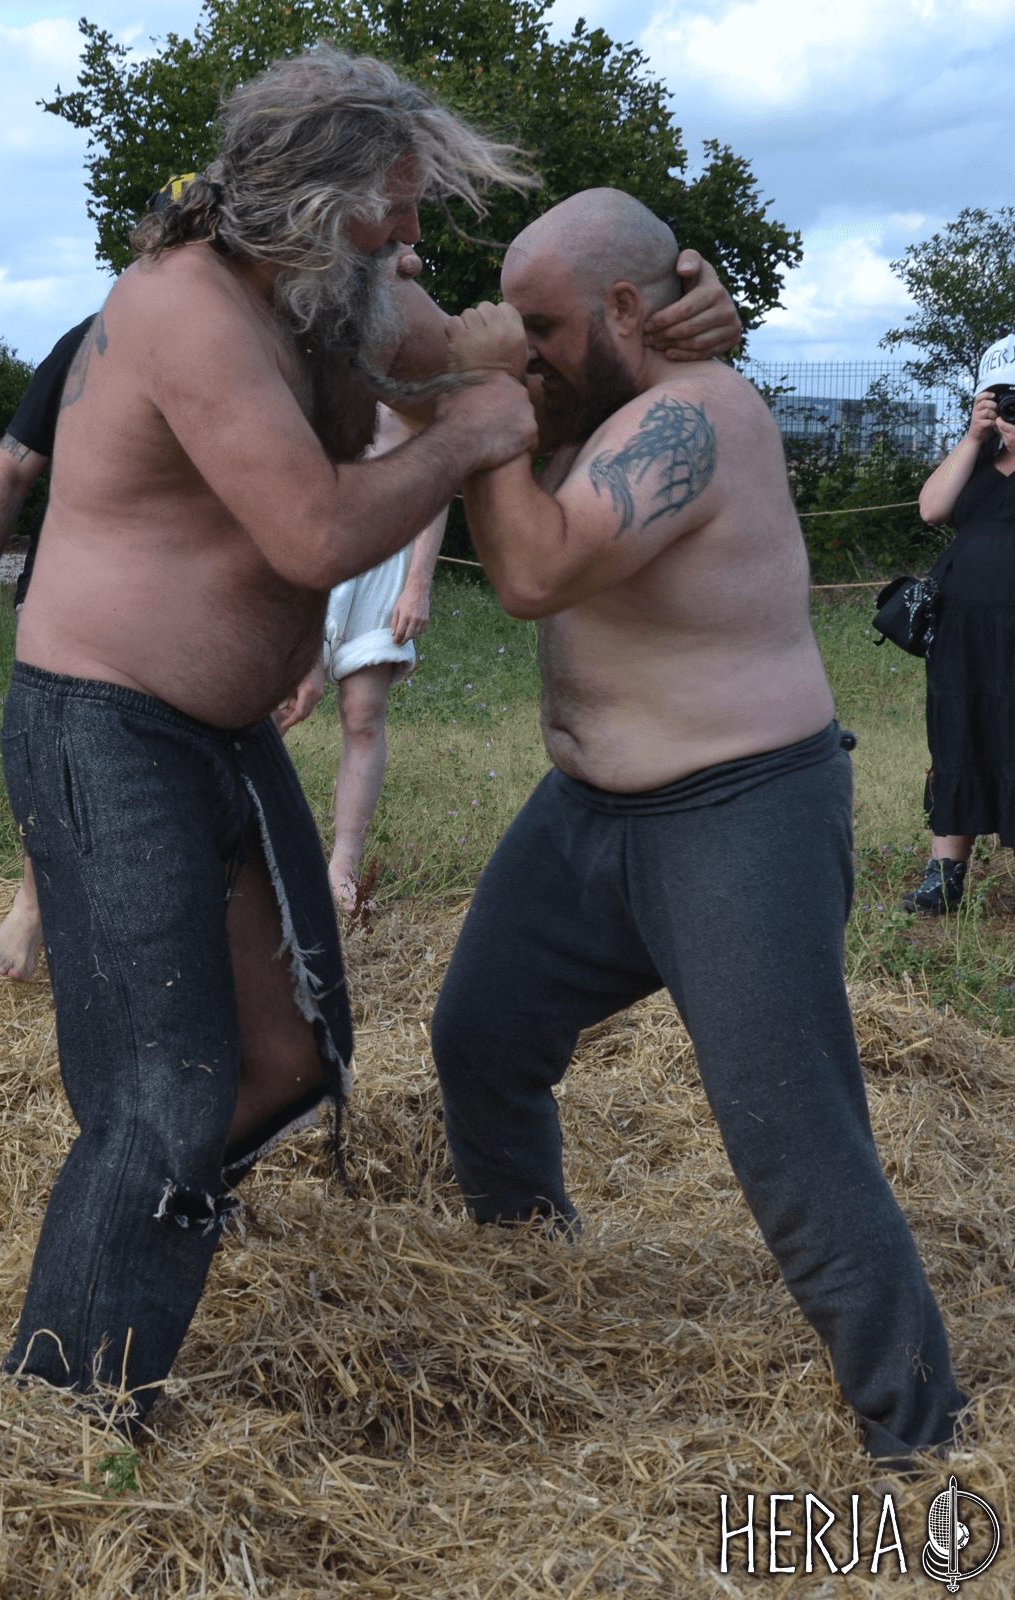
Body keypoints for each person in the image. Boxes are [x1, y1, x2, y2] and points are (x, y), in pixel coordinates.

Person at [0, 47, 744, 1426]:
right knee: (166, 1085)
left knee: (290, 1058)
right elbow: (315, 531)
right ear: (306, 194)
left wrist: (688, 306)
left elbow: (528, 376)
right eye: (390, 203)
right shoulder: (185, 308)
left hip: (218, 735)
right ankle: (69, 1407)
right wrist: (463, 437)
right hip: (103, 721)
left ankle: (139, 1233)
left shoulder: (340, 300)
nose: (411, 230)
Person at [430, 187, 966, 1463]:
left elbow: (532, 572)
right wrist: (483, 374)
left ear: (625, 308)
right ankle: (527, 1277)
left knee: (792, 1138)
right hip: (586, 815)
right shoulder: (599, 400)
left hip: (736, 811)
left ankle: (921, 1441)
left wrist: (482, 393)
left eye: (543, 326)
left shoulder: (694, 417)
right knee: (481, 1036)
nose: (526, 350)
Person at [0, 316, 97, 979]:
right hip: (68, 592)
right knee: (54, 754)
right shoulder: (94, 340)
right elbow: (9, 471)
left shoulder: (258, 336)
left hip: (194, 609)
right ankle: (33, 903)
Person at [275, 399, 448, 908]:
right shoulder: (315, 368)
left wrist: (418, 583)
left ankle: (343, 870)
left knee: (364, 715)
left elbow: (436, 482)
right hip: (313, 544)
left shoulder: (416, 379)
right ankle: (246, 849)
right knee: (275, 707)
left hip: (385, 559)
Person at [902, 334, 1015, 914]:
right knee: (958, 737)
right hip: (963, 629)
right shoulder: (978, 458)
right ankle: (943, 878)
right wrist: (974, 436)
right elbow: (932, 509)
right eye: (1002, 395)